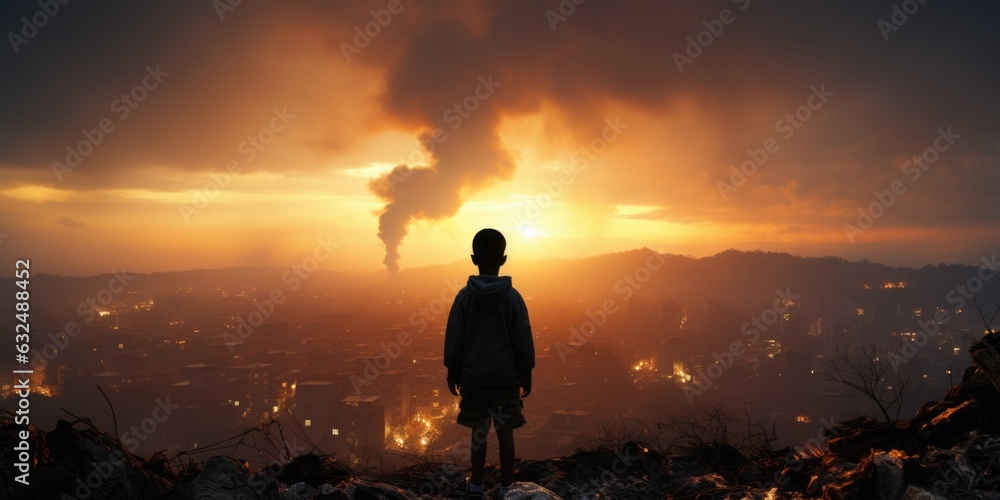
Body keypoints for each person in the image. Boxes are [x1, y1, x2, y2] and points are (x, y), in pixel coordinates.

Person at [445, 228, 534, 499]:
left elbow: (455, 337)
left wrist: (453, 371)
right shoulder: (513, 298)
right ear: (503, 259)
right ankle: (507, 487)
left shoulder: (463, 297)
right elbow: (522, 337)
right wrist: (526, 372)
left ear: (474, 258)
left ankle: (477, 485)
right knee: (506, 433)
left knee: (478, 433)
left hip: (473, 380)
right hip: (506, 381)